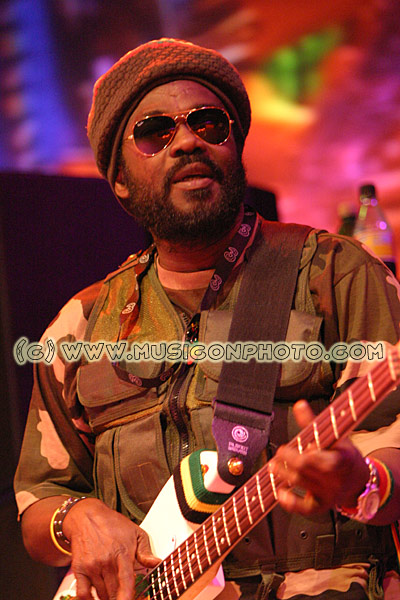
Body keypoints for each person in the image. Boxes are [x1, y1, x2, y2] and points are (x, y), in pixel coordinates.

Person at [14, 38, 400, 600]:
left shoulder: (336, 274)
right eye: (155, 132)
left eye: (209, 124)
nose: (188, 141)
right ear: (120, 179)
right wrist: (76, 518)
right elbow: (38, 501)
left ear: (235, 147)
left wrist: (360, 482)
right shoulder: (81, 325)